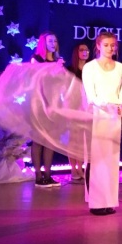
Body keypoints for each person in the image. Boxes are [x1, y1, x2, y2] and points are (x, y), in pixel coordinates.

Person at [81, 32, 122, 216]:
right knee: (96, 160)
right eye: (106, 45)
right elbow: (91, 95)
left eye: (113, 45)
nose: (110, 48)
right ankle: (96, 202)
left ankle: (108, 201)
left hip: (114, 118)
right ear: (98, 46)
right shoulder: (90, 67)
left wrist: (120, 105)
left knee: (111, 160)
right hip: (96, 116)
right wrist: (107, 105)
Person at [30, 31, 64, 188]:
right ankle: (38, 175)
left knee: (50, 141)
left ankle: (48, 175)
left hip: (54, 104)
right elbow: (37, 80)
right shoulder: (36, 59)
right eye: (50, 41)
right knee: (38, 140)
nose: (53, 43)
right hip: (39, 103)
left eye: (55, 41)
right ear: (43, 43)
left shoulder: (58, 60)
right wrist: (54, 69)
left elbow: (61, 83)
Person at [66, 42, 91, 182]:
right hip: (74, 106)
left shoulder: (91, 69)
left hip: (87, 107)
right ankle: (73, 168)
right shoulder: (70, 69)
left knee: (83, 140)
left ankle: (80, 167)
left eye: (87, 50)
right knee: (73, 139)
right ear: (76, 52)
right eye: (82, 50)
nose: (85, 52)